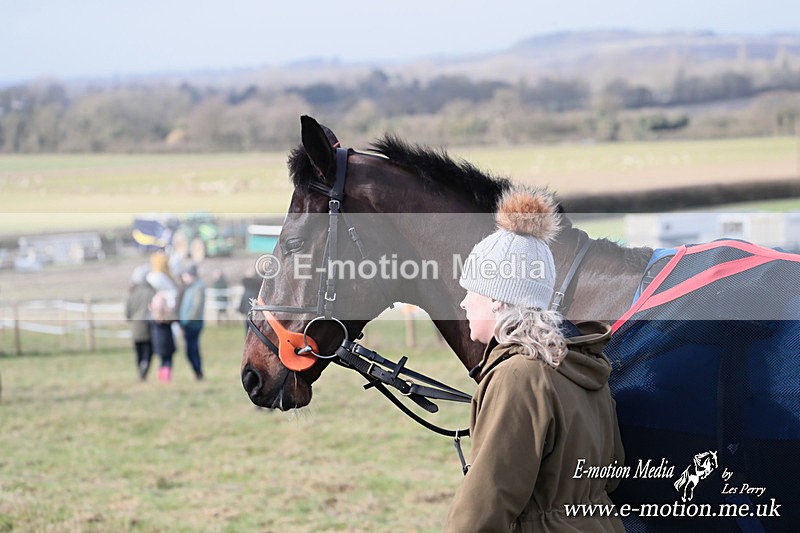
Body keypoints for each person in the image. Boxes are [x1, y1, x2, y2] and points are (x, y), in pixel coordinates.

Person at [443, 189, 625, 533]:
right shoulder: (582, 363)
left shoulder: (518, 375)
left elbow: (486, 503)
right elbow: (613, 469)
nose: (464, 303)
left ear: (497, 299)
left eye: (471, 290)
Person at [146, 250, 178, 382]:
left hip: (157, 330)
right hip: (165, 325)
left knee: (162, 357)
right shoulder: (161, 279)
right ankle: (166, 377)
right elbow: (172, 297)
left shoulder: (150, 278)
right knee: (167, 358)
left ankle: (162, 376)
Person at [125, 264, 155, 380]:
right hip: (148, 326)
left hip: (135, 327)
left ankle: (141, 371)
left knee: (139, 351)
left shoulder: (132, 292)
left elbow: (128, 310)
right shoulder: (151, 292)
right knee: (148, 350)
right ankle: (144, 370)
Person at [178, 263, 205, 380]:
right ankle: (197, 372)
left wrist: (187, 321)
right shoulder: (190, 287)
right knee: (190, 350)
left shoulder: (198, 288)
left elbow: (196, 307)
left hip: (193, 325)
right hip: (188, 324)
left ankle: (198, 372)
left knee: (192, 350)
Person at [238, 267, 261, 334]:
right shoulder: (246, 281)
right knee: (247, 322)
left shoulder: (256, 281)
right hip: (247, 303)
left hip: (253, 302)